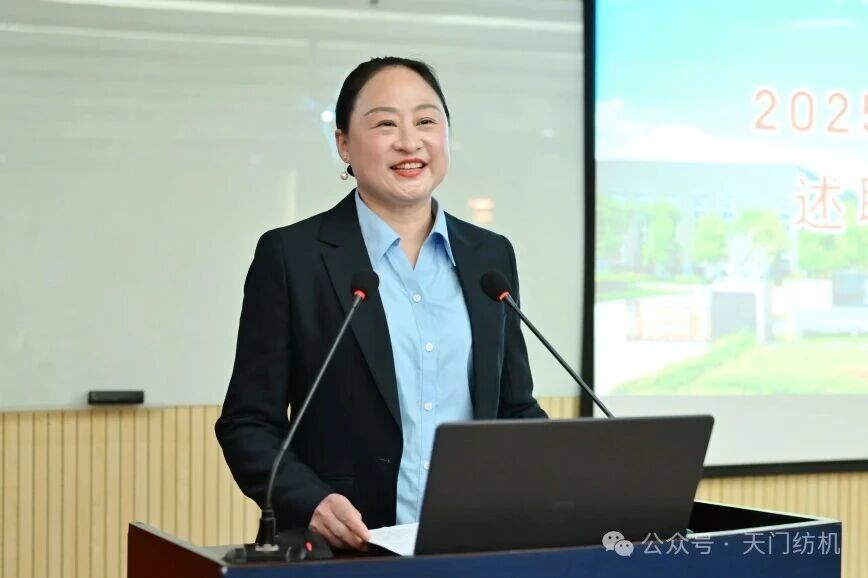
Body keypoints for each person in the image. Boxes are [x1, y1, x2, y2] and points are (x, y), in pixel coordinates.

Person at [215, 56, 547, 552]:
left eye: (426, 121)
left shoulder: (489, 257)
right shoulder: (293, 257)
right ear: (344, 144)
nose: (410, 142)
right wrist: (310, 501)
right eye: (386, 124)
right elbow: (249, 424)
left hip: (470, 545)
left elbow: (513, 408)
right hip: (347, 550)